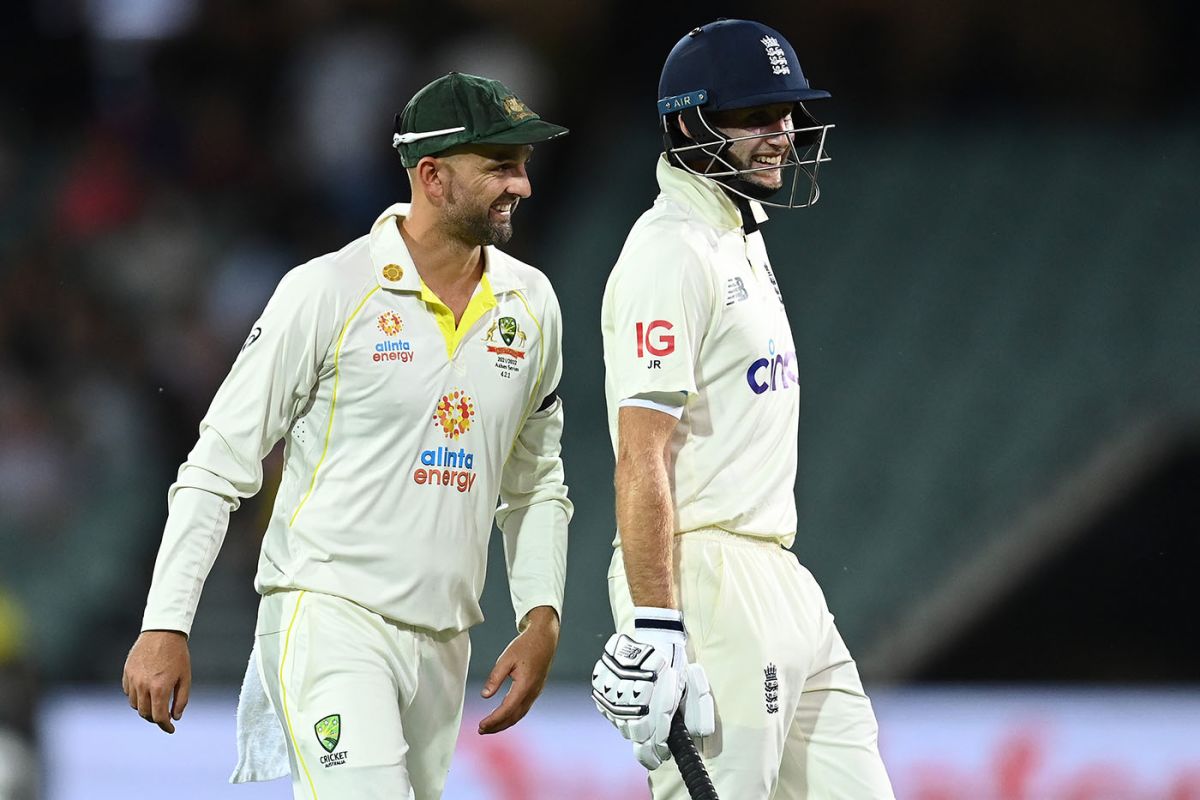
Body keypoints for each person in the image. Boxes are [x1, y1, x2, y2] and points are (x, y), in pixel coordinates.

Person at [122, 71, 573, 800]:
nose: (520, 184)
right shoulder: (327, 290)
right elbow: (216, 465)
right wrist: (164, 622)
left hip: (445, 638)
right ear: (432, 176)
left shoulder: (533, 304)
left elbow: (536, 481)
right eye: (499, 166)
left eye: (522, 165)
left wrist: (541, 613)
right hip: (328, 614)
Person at [590, 19, 895, 799]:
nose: (783, 134)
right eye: (758, 115)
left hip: (781, 576)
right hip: (708, 579)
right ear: (691, 122)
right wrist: (658, 625)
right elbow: (642, 452)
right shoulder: (671, 250)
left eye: (787, 114)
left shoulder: (737, 237)